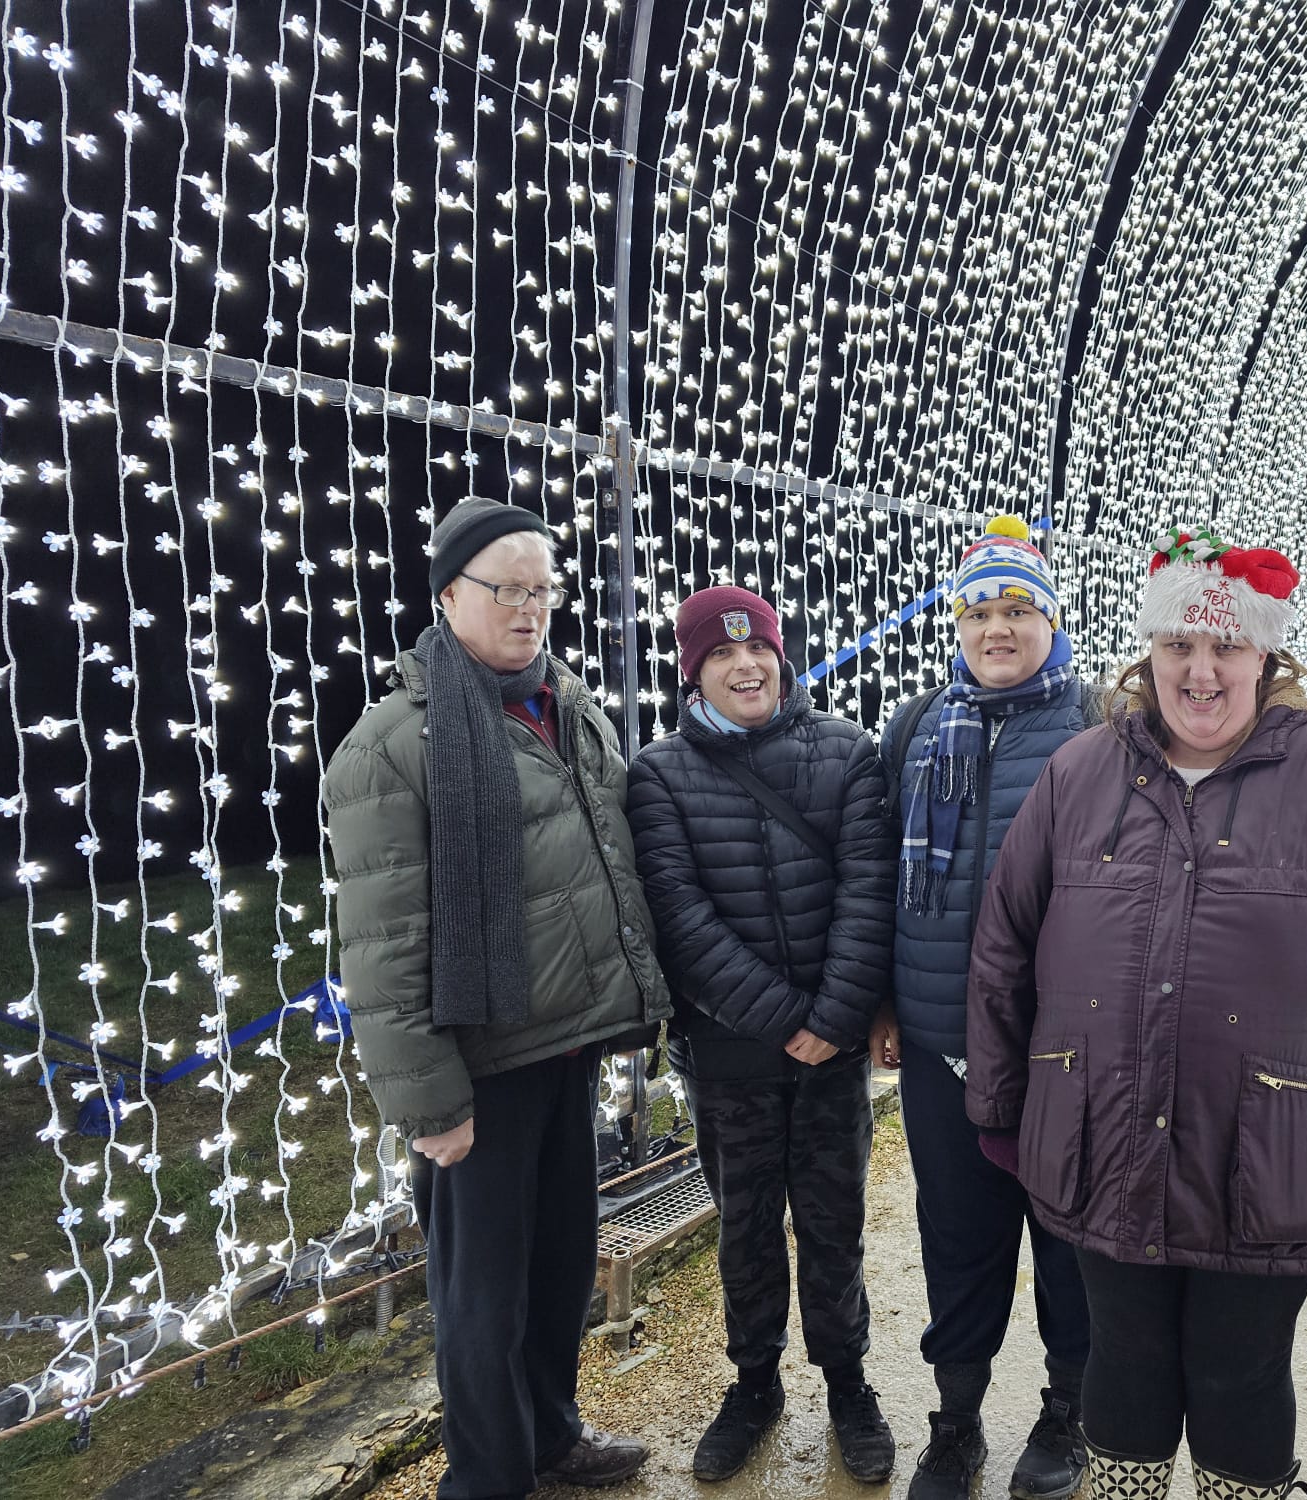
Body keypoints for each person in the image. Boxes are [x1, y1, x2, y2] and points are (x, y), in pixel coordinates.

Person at [966, 525, 1307, 1500]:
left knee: (1239, 1376)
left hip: (1271, 1154)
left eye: (1223, 646)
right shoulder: (1079, 773)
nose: (1198, 671)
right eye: (1176, 646)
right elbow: (1002, 947)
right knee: (1125, 1363)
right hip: (1105, 1137)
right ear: (1144, 653)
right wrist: (1001, 1106)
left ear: (1263, 653)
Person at [324, 497, 666, 1498]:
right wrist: (430, 1106)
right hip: (477, 1071)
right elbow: (383, 946)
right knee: (481, 1298)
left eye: (542, 589)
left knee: (559, 1267)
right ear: (447, 596)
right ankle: (485, 1477)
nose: (529, 608)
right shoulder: (393, 744)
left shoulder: (565, 707)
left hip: (566, 1044)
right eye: (506, 588)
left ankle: (550, 1435)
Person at [625, 585, 895, 1484]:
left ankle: (849, 1381)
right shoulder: (659, 775)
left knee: (832, 1223)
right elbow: (680, 916)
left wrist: (832, 1020)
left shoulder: (848, 754)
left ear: (781, 655)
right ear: (693, 669)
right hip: (729, 1053)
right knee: (743, 1228)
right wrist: (786, 1021)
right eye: (720, 655)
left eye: (759, 651)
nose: (746, 666)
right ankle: (753, 1384)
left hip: (831, 1048)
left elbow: (868, 893)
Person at [869, 516, 1100, 1500]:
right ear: (954, 625)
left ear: (1048, 617)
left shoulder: (1097, 723)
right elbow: (878, 870)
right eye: (977, 611)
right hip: (939, 1043)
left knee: (1070, 1241)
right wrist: (883, 999)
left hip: (1064, 1051)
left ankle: (1066, 1416)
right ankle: (954, 1423)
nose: (995, 628)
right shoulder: (917, 725)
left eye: (1016, 609)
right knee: (957, 1239)